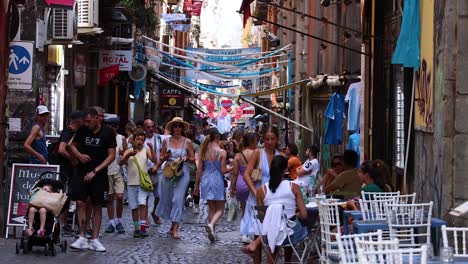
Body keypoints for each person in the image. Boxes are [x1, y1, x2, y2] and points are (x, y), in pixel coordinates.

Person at [241, 156, 308, 263]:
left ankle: (262, 249)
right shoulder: (294, 187)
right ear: (286, 169)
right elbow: (304, 215)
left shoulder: (261, 191)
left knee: (275, 228)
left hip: (270, 235)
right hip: (292, 235)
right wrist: (294, 214)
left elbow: (261, 219)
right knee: (290, 225)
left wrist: (275, 216)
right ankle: (288, 261)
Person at [68, 107, 116, 252]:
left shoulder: (107, 133)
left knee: (97, 205)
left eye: (89, 121)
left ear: (97, 118)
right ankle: (82, 235)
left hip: (99, 174)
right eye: (85, 121)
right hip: (82, 172)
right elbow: (71, 144)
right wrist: (79, 155)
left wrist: (96, 171)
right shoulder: (83, 130)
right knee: (80, 202)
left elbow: (111, 155)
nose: (87, 124)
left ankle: (95, 238)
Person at [156, 117, 195, 239]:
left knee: (177, 199)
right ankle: (172, 224)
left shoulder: (187, 142)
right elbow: (161, 157)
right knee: (167, 199)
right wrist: (165, 157)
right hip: (168, 172)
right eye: (175, 126)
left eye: (179, 126)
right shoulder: (166, 141)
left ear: (182, 128)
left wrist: (187, 159)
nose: (177, 128)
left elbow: (193, 159)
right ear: (172, 128)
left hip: (182, 172)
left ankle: (176, 228)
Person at [241, 126, 283, 237]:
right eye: (267, 139)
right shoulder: (257, 153)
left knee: (275, 230)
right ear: (263, 140)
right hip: (258, 198)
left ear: (277, 139)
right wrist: (255, 193)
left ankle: (272, 254)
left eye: (272, 139)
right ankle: (258, 253)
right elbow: (246, 174)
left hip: (275, 197)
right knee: (258, 229)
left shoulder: (281, 156)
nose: (270, 142)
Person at [195, 128, 232, 242]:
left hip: (206, 179)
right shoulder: (222, 152)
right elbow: (223, 170)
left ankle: (212, 231)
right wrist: (233, 167)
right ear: (217, 137)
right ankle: (211, 226)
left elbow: (199, 170)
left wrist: (196, 185)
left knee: (211, 208)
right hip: (217, 180)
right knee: (220, 209)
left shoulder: (203, 151)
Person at [120, 131, 156, 238]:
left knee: (142, 204)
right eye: (138, 139)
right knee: (134, 206)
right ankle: (136, 229)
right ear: (134, 140)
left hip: (142, 183)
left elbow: (154, 160)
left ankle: (143, 228)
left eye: (142, 140)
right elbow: (121, 163)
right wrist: (128, 156)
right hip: (131, 183)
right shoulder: (129, 151)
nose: (140, 141)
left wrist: (152, 149)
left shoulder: (146, 150)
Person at [57, 110, 83, 234]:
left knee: (69, 196)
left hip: (69, 170)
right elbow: (61, 150)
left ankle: (64, 223)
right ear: (78, 121)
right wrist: (72, 159)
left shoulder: (74, 133)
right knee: (65, 196)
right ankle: (62, 224)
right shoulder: (68, 132)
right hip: (65, 169)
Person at [231, 132, 257, 244]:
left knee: (244, 210)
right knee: (254, 210)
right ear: (252, 141)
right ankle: (252, 233)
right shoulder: (256, 154)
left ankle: (244, 233)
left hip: (241, 183)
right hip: (252, 182)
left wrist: (232, 187)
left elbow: (235, 173)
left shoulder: (238, 156)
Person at [104, 117, 127, 234]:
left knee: (119, 196)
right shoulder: (104, 138)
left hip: (118, 170)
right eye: (108, 125)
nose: (110, 128)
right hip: (107, 171)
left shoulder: (121, 138)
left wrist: (124, 155)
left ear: (117, 127)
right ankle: (112, 222)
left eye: (112, 126)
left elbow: (125, 155)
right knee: (109, 198)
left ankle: (119, 220)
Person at [144, 119, 165, 225]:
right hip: (145, 171)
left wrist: (158, 166)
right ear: (144, 128)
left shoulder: (159, 138)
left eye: (152, 126)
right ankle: (145, 216)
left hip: (158, 170)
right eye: (148, 127)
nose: (151, 129)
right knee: (145, 195)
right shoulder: (140, 138)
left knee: (159, 195)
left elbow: (163, 154)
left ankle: (154, 212)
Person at [185, 128, 201, 214]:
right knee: (195, 188)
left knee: (184, 188)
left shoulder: (183, 145)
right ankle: (196, 206)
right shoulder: (196, 146)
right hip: (194, 170)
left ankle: (186, 201)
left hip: (185, 169)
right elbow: (197, 159)